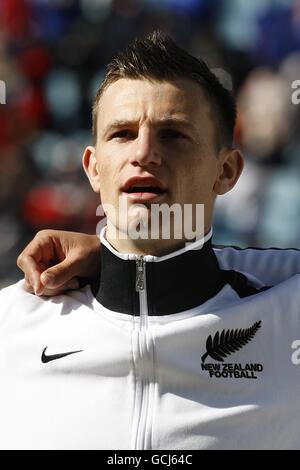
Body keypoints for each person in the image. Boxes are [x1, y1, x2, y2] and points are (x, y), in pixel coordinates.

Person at [2, 31, 300, 450]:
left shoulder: (289, 312)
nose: (144, 152)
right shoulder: (10, 325)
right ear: (93, 168)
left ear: (227, 171)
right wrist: (116, 262)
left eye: (174, 134)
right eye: (122, 134)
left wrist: (130, 263)